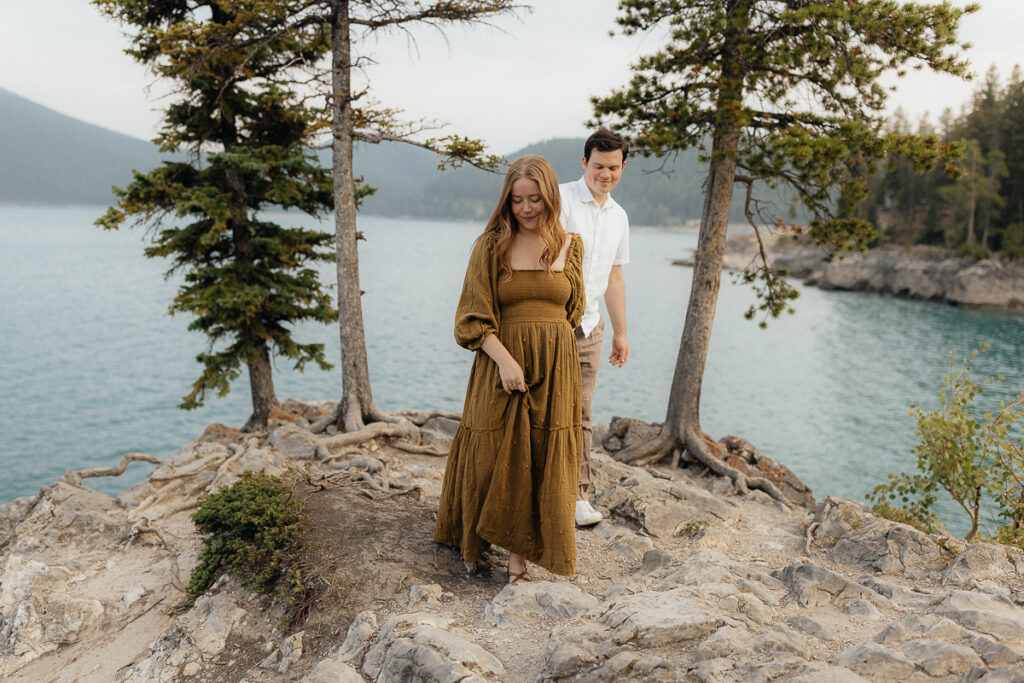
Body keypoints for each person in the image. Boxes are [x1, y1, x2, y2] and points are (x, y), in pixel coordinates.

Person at [433, 155, 587, 583]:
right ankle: (472, 541)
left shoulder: (571, 245)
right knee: (489, 450)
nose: (526, 208)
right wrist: (505, 359)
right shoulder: (490, 245)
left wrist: (548, 346)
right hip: (500, 365)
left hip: (556, 369)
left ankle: (519, 562)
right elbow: (470, 317)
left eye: (535, 199)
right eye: (518, 200)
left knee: (539, 456)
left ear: (550, 197)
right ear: (507, 200)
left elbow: (572, 312)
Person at [559, 128, 630, 527]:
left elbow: (614, 277)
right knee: (541, 409)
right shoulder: (562, 199)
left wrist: (620, 332)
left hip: (590, 327)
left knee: (582, 415)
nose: (606, 174)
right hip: (552, 324)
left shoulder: (619, 216)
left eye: (613, 167)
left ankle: (577, 497)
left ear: (622, 167)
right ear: (584, 162)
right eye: (599, 166)